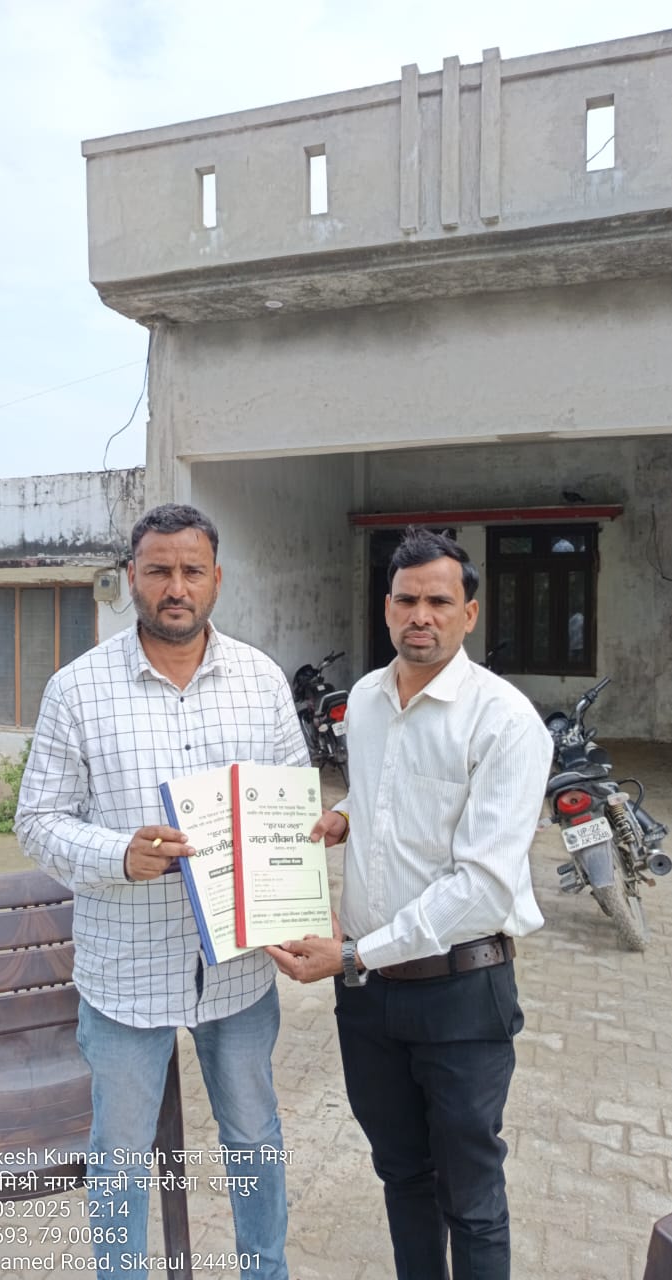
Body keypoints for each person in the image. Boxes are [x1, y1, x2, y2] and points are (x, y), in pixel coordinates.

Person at [15, 503, 308, 1280]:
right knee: (119, 1155)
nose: (175, 587)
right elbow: (36, 822)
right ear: (131, 578)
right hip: (126, 972)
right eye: (158, 571)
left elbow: (290, 805)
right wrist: (119, 853)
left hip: (238, 969)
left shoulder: (261, 681)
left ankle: (265, 1270)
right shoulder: (76, 690)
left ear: (216, 578)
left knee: (253, 1137)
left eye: (190, 571)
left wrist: (295, 897)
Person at [267, 528, 552, 1280]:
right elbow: (383, 788)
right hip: (368, 1000)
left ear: (469, 613)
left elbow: (483, 885)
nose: (420, 615)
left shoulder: (503, 720)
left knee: (471, 1197)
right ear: (387, 606)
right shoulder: (363, 698)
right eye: (405, 599)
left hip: (459, 993)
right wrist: (345, 815)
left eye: (438, 601)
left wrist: (354, 953)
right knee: (401, 1174)